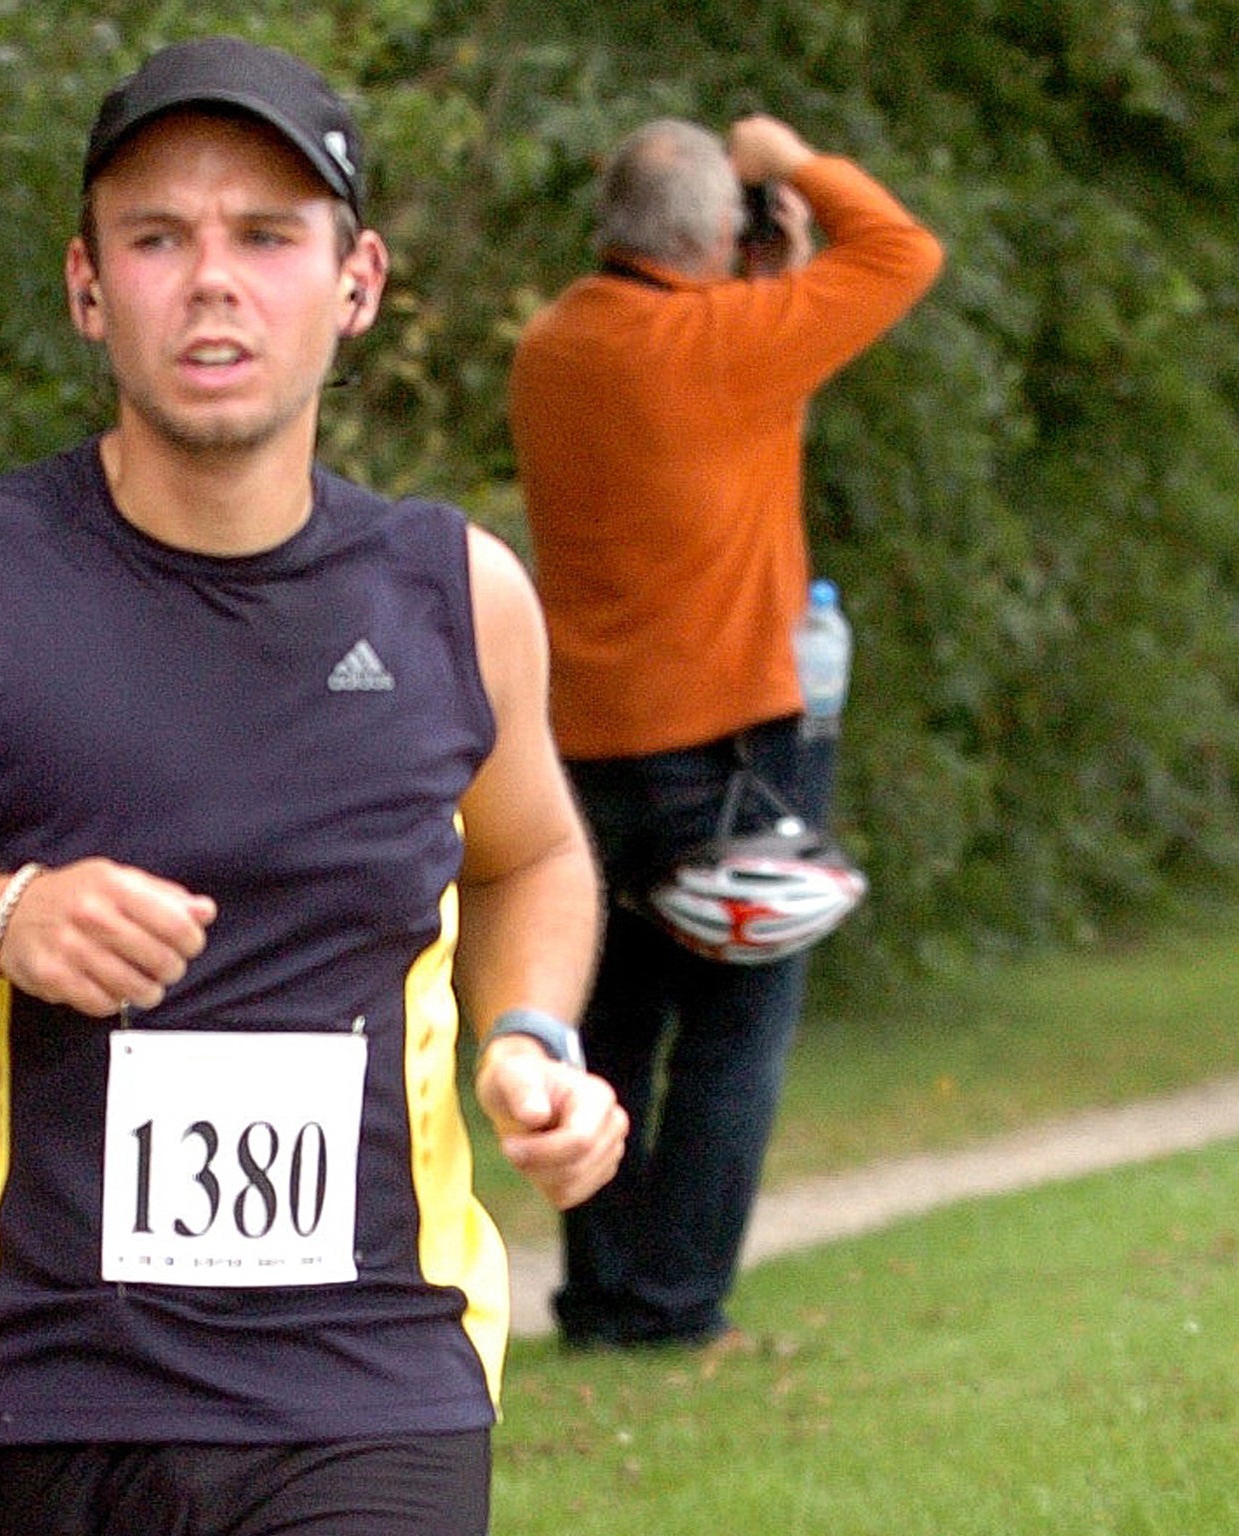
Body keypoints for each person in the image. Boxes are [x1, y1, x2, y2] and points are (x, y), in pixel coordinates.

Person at [0, 36, 628, 1536]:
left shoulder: (455, 593)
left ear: (358, 283)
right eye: (158, 237)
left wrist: (528, 1037)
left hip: (372, 1376)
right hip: (58, 1385)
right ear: (88, 287)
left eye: (267, 237)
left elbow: (531, 859)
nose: (214, 279)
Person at [506, 115, 943, 1351]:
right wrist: (785, 155)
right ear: (710, 232)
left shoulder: (552, 347)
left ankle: (601, 1296)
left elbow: (709, 418)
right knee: (733, 1034)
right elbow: (901, 250)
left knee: (613, 1033)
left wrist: (757, 279)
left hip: (586, 749)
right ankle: (674, 1306)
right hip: (734, 750)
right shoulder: (727, 343)